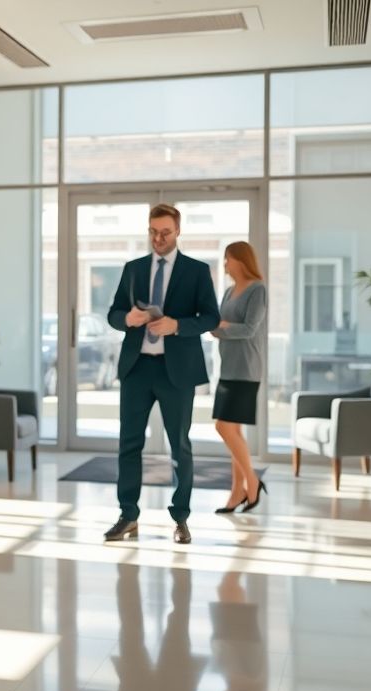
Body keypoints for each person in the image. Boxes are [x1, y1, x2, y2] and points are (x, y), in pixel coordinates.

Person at [105, 204, 220, 545]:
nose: (158, 238)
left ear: (178, 231)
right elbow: (113, 314)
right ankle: (128, 515)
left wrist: (177, 325)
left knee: (180, 446)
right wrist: (127, 319)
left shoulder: (197, 271)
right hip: (137, 368)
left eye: (165, 232)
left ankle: (181, 518)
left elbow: (211, 318)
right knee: (129, 444)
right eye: (153, 232)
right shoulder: (133, 269)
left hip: (177, 372)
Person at [210, 241, 268, 513]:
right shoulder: (228, 292)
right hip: (228, 367)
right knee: (234, 431)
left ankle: (252, 481)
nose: (225, 264)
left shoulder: (258, 289)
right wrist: (218, 326)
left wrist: (222, 327)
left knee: (223, 427)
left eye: (228, 258)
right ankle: (237, 492)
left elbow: (249, 329)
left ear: (241, 261)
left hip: (246, 369)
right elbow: (217, 327)